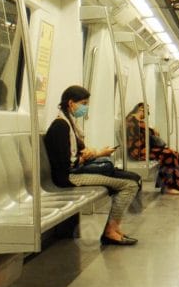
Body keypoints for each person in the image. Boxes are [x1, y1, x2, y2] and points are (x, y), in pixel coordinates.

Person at [44, 85, 141, 245]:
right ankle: (110, 231)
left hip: (76, 172)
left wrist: (89, 154)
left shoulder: (70, 124)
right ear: (71, 103)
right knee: (129, 185)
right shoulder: (60, 126)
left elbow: (76, 153)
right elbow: (66, 163)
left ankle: (114, 228)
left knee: (132, 178)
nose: (85, 108)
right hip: (69, 177)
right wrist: (94, 155)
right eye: (83, 103)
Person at [125, 102, 179, 195]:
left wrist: (151, 130)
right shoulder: (131, 119)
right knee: (169, 154)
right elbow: (147, 131)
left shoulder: (138, 121)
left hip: (144, 149)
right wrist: (152, 130)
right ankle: (167, 187)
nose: (147, 114)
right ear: (141, 108)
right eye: (147, 111)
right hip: (138, 151)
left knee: (173, 153)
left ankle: (169, 185)